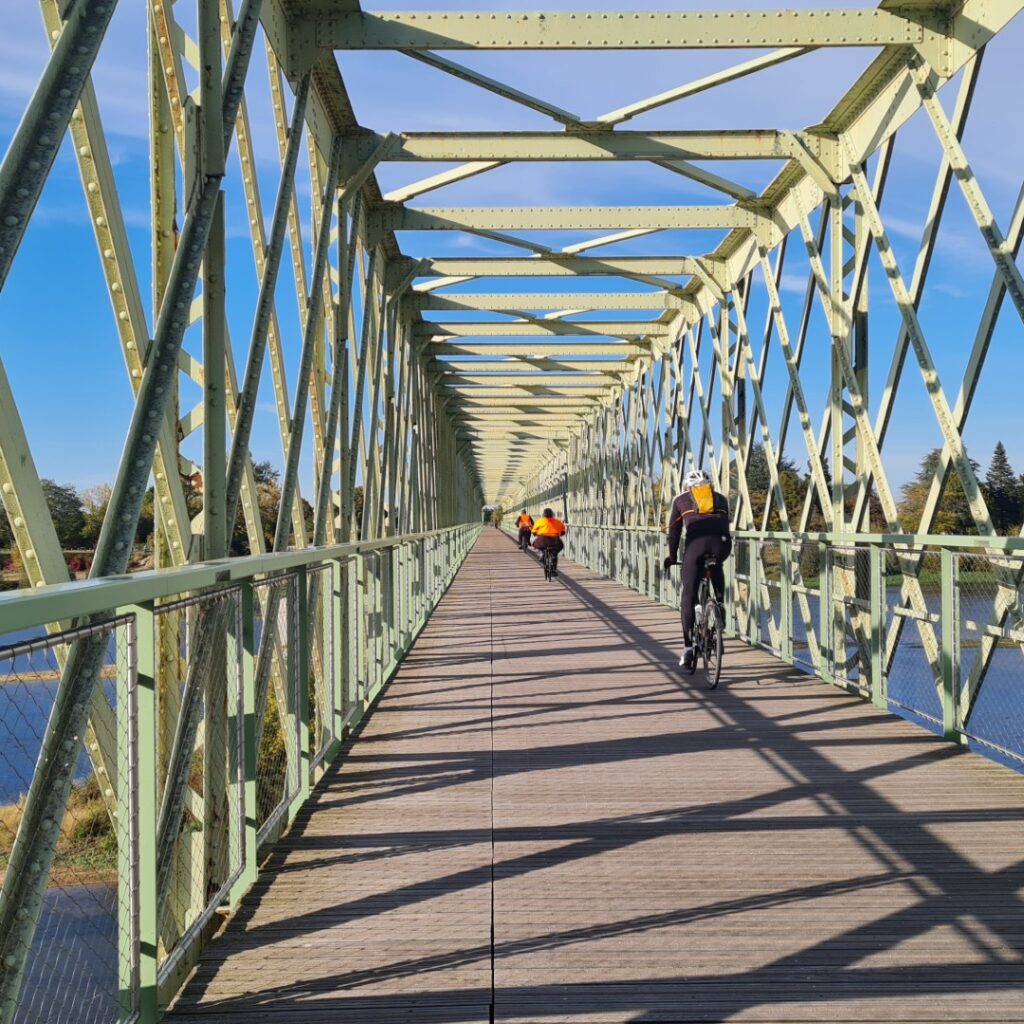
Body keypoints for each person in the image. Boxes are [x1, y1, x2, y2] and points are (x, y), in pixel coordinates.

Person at [663, 469, 731, 669]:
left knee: (688, 595)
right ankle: (719, 605)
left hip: (696, 546)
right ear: (709, 485)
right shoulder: (721, 499)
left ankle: (687, 649)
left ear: (687, 486)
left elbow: (674, 532)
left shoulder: (680, 500)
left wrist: (673, 556)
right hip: (722, 544)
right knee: (715, 564)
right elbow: (724, 524)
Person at [531, 507, 567, 576]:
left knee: (538, 545)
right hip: (554, 540)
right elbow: (563, 531)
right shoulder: (557, 521)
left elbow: (534, 531)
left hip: (542, 540)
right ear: (552, 514)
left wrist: (536, 534)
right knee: (555, 551)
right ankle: (553, 569)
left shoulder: (540, 521)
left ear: (543, 514)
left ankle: (542, 554)